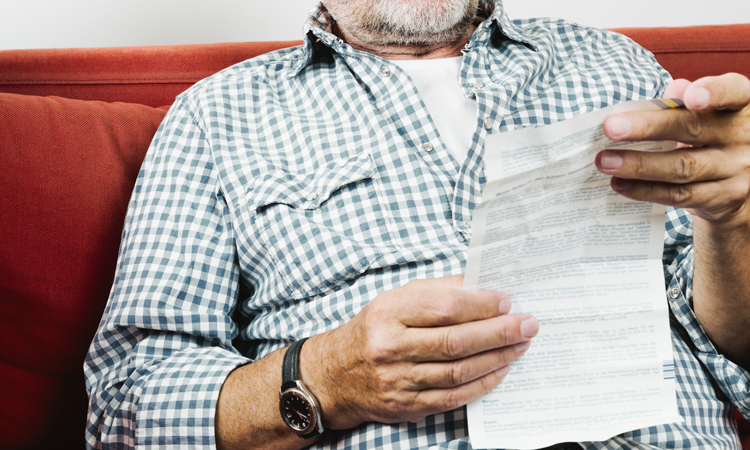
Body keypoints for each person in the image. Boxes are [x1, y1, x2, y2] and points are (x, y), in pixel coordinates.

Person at [84, 0, 750, 449]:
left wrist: (733, 222)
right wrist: (326, 378)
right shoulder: (217, 114)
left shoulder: (617, 66)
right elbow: (123, 409)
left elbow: (729, 341)